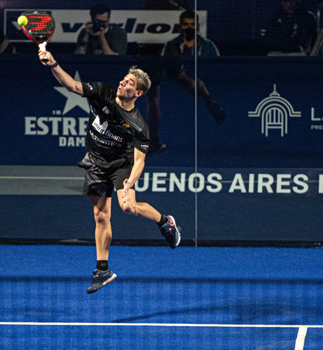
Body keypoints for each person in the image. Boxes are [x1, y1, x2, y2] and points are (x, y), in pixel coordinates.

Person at [37, 49, 182, 294]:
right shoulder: (102, 92)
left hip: (120, 165)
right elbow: (71, 85)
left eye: (129, 83)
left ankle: (164, 221)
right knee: (100, 216)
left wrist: (129, 183)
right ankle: (102, 270)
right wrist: (53, 64)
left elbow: (139, 161)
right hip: (95, 161)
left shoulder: (138, 124)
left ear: (138, 93)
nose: (122, 82)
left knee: (128, 207)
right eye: (124, 79)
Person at [140, 10, 225, 155]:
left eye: (192, 24)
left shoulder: (208, 44)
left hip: (194, 81)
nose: (189, 27)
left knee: (185, 80)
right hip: (172, 81)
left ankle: (210, 101)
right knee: (154, 95)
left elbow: (217, 66)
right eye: (186, 25)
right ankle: (154, 140)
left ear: (198, 26)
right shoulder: (172, 45)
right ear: (180, 27)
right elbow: (165, 65)